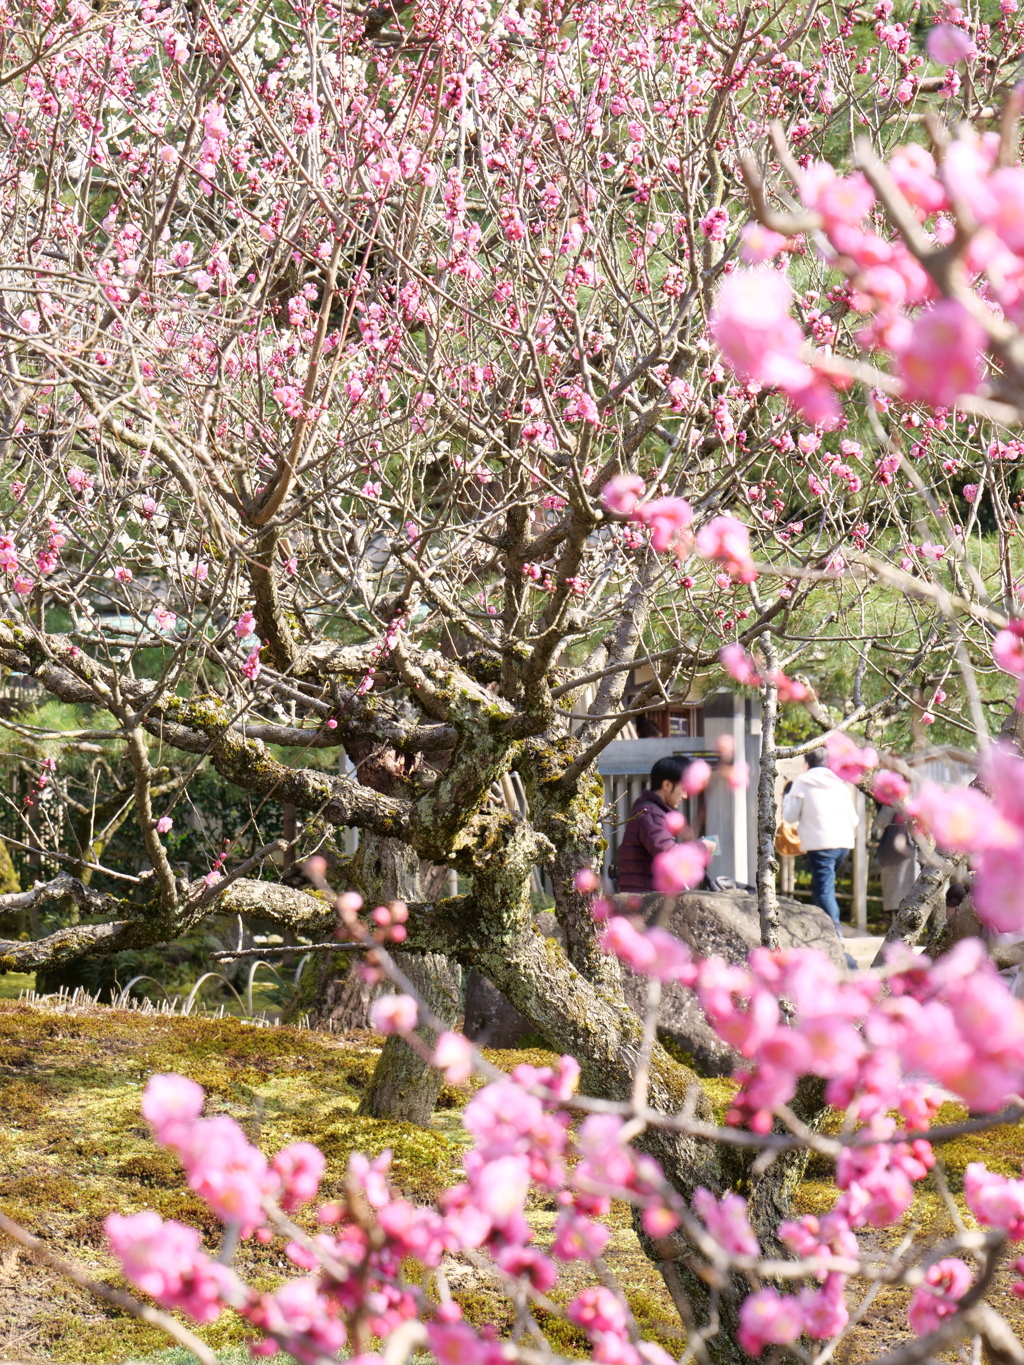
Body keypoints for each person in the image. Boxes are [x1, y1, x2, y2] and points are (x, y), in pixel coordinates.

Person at [782, 748, 859, 925]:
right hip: (843, 845)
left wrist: (787, 796)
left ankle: (835, 931)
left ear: (807, 763)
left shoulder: (802, 782)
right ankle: (820, 926)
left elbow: (790, 816)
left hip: (821, 845)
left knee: (824, 890)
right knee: (819, 887)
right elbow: (854, 820)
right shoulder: (839, 784)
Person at [616, 756, 694, 893]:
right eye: (683, 788)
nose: (685, 795)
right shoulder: (650, 814)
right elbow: (671, 857)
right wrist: (701, 848)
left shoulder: (650, 811)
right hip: (646, 901)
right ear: (667, 785)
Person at [873, 804, 918, 916]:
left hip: (896, 850)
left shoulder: (893, 801)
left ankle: (897, 921)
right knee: (914, 894)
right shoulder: (919, 799)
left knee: (897, 896)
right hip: (915, 849)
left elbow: (880, 822)